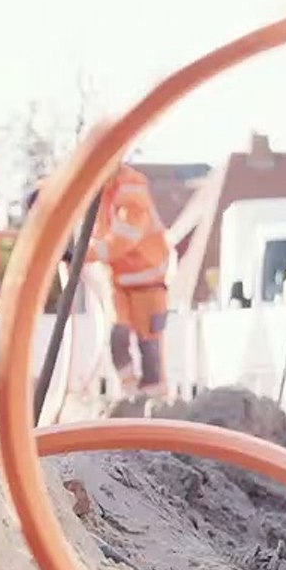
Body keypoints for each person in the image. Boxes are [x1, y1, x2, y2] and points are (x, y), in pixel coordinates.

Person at [83, 162, 172, 397]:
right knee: (117, 337)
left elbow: (125, 237)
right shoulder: (101, 189)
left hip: (148, 280)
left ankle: (155, 404)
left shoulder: (131, 188)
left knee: (149, 347)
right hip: (118, 281)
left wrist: (84, 253)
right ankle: (130, 394)